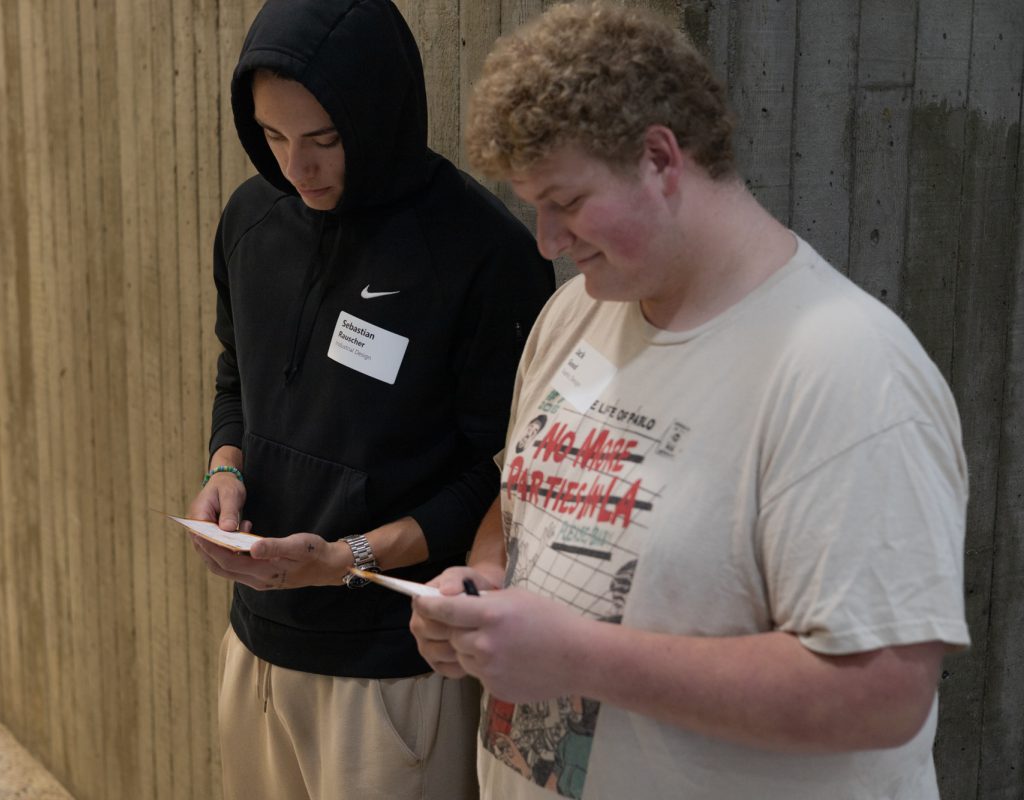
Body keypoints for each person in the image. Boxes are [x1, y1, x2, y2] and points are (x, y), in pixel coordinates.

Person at [409, 5, 969, 800]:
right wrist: (483, 585)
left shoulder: (849, 370)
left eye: (566, 201)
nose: (546, 240)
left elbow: (883, 695)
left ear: (660, 158)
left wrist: (576, 656)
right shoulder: (576, 314)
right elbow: (522, 501)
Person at [185, 0, 554, 797]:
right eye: (272, 137)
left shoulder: (485, 254)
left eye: (324, 140)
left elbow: (497, 478)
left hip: (394, 672)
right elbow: (237, 374)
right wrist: (227, 470)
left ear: (381, 114)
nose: (297, 168)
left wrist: (349, 559)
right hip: (254, 647)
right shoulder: (253, 217)